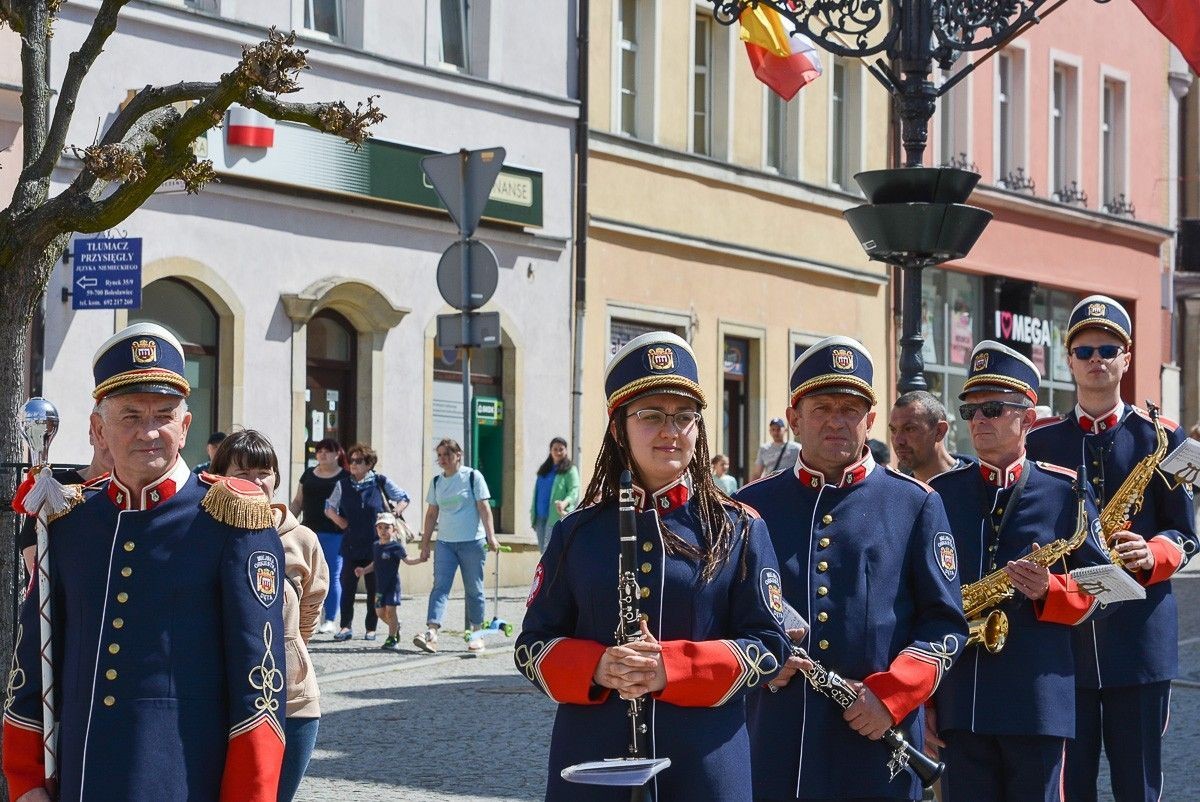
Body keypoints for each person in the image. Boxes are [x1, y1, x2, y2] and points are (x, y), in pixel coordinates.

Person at [2, 322, 285, 801]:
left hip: (185, 778)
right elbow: (33, 659)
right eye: (130, 415)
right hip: (82, 780)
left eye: (163, 414)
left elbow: (260, 684)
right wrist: (27, 780)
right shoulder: (68, 522)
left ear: (186, 425)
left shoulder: (231, 519)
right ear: (100, 429)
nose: (148, 431)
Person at [516, 331, 789, 801]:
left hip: (706, 765)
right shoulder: (577, 531)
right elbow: (530, 648)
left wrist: (673, 668)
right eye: (651, 416)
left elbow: (770, 647)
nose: (671, 431)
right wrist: (597, 666)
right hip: (593, 763)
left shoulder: (739, 527)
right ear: (619, 428)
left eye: (685, 417)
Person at [734, 335, 968, 802]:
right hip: (775, 736)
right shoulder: (747, 507)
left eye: (851, 409)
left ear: (871, 421)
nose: (838, 421)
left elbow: (945, 626)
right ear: (795, 418)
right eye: (822, 408)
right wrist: (755, 663)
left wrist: (893, 694)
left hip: (875, 740)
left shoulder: (915, 504)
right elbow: (723, 615)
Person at [1026, 295, 1198, 802]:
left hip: (1141, 642)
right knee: (1069, 785)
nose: (1096, 360)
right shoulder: (1038, 443)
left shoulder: (1165, 437)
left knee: (1138, 785)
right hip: (1063, 645)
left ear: (1126, 357)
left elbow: (1187, 534)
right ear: (1069, 360)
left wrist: (1154, 554)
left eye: (1107, 349)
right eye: (1084, 351)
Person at [929, 340, 1111, 801]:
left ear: (1028, 418)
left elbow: (1105, 592)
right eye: (969, 410)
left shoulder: (1066, 492)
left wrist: (1052, 590)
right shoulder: (940, 494)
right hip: (960, 705)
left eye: (992, 408)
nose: (978, 421)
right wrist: (925, 702)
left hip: (1037, 703)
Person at [209, 429, 330, 802]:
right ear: (219, 475)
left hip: (291, 703)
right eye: (243, 473)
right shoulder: (201, 533)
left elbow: (311, 604)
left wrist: (291, 651)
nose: (255, 482)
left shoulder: (301, 539)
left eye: (264, 472)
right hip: (216, 700)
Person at [414, 439, 500, 653]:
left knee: (474, 589)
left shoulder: (472, 477)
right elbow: (432, 513)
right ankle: (432, 633)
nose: (442, 459)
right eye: (440, 455)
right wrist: (425, 544)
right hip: (445, 543)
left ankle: (477, 633)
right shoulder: (436, 482)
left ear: (458, 455)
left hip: (472, 542)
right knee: (440, 587)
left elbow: (484, 508)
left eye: (447, 455)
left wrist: (491, 537)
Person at [324, 443, 409, 642]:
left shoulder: (379, 482)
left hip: (376, 545)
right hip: (351, 543)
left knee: (374, 589)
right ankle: (345, 627)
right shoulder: (342, 484)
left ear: (369, 464)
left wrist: (396, 512)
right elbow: (329, 507)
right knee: (348, 587)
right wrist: (341, 521)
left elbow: (404, 497)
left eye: (358, 461)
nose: (353, 464)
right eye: (351, 461)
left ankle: (371, 628)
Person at [18, 414, 113, 579]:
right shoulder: (55, 487)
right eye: (107, 434)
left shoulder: (139, 495)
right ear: (93, 433)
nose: (114, 447)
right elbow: (36, 564)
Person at [290, 438, 349, 633]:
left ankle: (330, 618)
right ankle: (307, 617)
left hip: (334, 533)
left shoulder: (345, 477)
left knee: (332, 575)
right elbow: (298, 501)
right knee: (306, 575)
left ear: (337, 453)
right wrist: (288, 521)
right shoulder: (308, 474)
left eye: (327, 450)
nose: (322, 454)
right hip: (307, 531)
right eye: (319, 450)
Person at [356, 512, 423, 650]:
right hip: (380, 587)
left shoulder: (396, 547)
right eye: (380, 527)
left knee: (391, 612)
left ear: (394, 530)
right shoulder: (376, 546)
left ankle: (392, 639)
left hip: (392, 587)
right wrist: (363, 570)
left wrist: (420, 559)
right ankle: (396, 626)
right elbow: (375, 564)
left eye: (387, 527)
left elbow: (408, 560)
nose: (383, 531)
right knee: (380, 613)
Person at [888, 390, 970, 482]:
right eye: (893, 430)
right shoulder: (898, 490)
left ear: (939, 431)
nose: (898, 440)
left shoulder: (978, 483)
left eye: (909, 429)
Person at [530, 436, 582, 552]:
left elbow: (574, 490)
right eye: (555, 449)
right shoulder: (544, 469)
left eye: (561, 449)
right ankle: (547, 570)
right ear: (550, 450)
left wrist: (565, 503)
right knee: (542, 551)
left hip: (555, 516)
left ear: (566, 450)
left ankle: (551, 571)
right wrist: (532, 514)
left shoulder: (570, 470)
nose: (558, 452)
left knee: (549, 551)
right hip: (540, 516)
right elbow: (536, 493)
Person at [749, 416, 801, 481]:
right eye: (773, 429)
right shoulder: (764, 449)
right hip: (771, 486)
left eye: (778, 429)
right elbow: (757, 474)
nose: (776, 432)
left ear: (785, 430)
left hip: (790, 484)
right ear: (770, 431)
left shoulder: (796, 448)